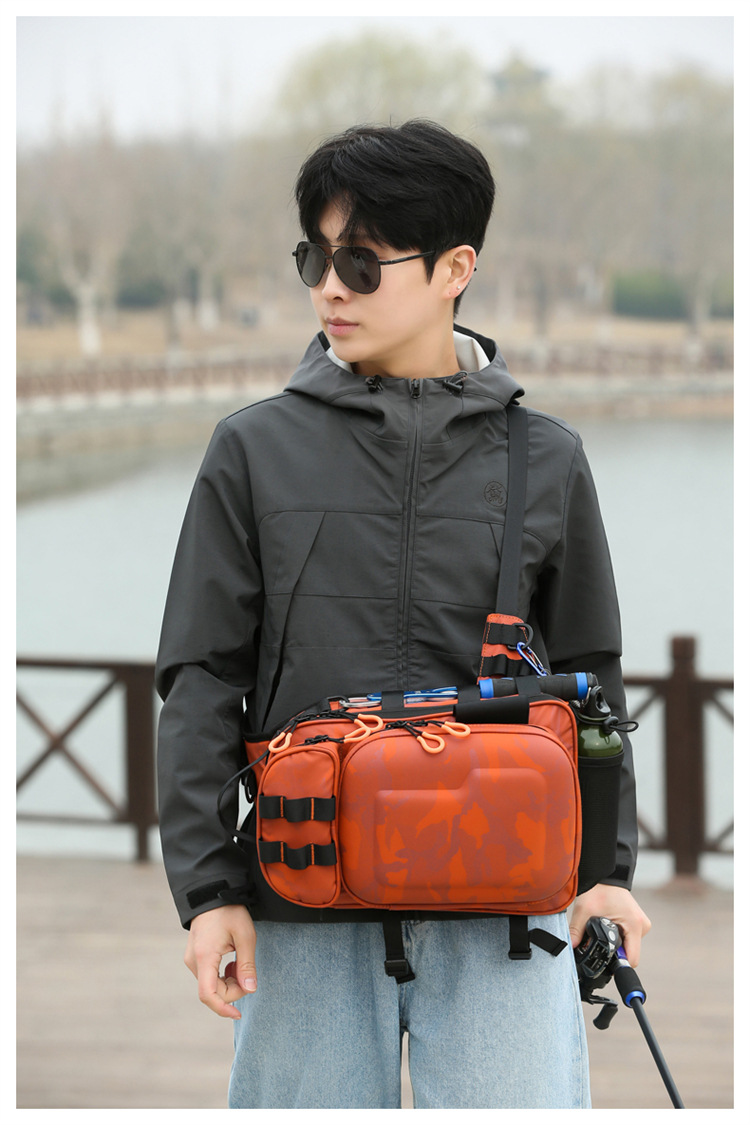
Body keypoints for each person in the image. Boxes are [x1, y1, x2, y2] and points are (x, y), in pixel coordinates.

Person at [155, 119, 651, 1109]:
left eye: (361, 263)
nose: (330, 289)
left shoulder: (545, 457)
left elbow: (591, 675)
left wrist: (604, 871)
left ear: (455, 268)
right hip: (302, 898)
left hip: (509, 908)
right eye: (314, 259)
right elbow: (203, 677)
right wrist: (209, 893)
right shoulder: (251, 451)